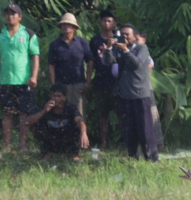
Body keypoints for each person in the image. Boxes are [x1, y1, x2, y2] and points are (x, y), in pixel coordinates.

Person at [101, 22, 156, 161]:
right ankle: (133, 157)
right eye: (122, 34)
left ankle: (151, 158)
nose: (124, 37)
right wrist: (108, 49)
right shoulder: (118, 49)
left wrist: (126, 50)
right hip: (124, 96)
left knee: (145, 128)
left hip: (140, 95)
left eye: (127, 34)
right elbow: (108, 61)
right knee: (128, 129)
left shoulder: (142, 48)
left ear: (134, 36)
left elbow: (136, 64)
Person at [0, 4, 40, 151]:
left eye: (13, 13)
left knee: (24, 114)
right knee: (7, 113)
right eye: (7, 14)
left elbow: (35, 57)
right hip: (5, 81)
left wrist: (34, 76)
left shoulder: (29, 34)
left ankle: (22, 145)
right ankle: (8, 145)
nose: (10, 16)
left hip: (24, 81)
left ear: (20, 17)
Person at [47, 12, 93, 117]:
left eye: (69, 24)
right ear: (61, 26)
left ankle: (80, 133)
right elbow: (51, 65)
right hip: (61, 85)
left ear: (74, 27)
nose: (67, 26)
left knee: (79, 114)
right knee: (61, 113)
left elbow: (90, 61)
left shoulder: (82, 42)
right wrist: (54, 85)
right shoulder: (55, 44)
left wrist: (88, 82)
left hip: (78, 85)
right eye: (64, 24)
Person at [24, 87, 88, 160]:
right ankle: (47, 153)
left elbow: (80, 121)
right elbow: (27, 122)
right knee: (37, 122)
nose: (55, 98)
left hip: (66, 137)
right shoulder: (45, 106)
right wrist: (44, 111)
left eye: (58, 96)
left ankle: (73, 154)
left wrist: (84, 133)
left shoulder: (70, 107)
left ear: (64, 97)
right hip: (51, 138)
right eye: (53, 96)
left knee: (77, 125)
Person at [86, 9, 120, 149]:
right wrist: (88, 79)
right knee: (103, 114)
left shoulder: (119, 39)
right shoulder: (95, 40)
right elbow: (91, 61)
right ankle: (103, 142)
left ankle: (124, 140)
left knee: (120, 113)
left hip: (117, 82)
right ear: (100, 22)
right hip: (100, 81)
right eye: (104, 20)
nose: (106, 23)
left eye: (109, 21)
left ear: (114, 23)